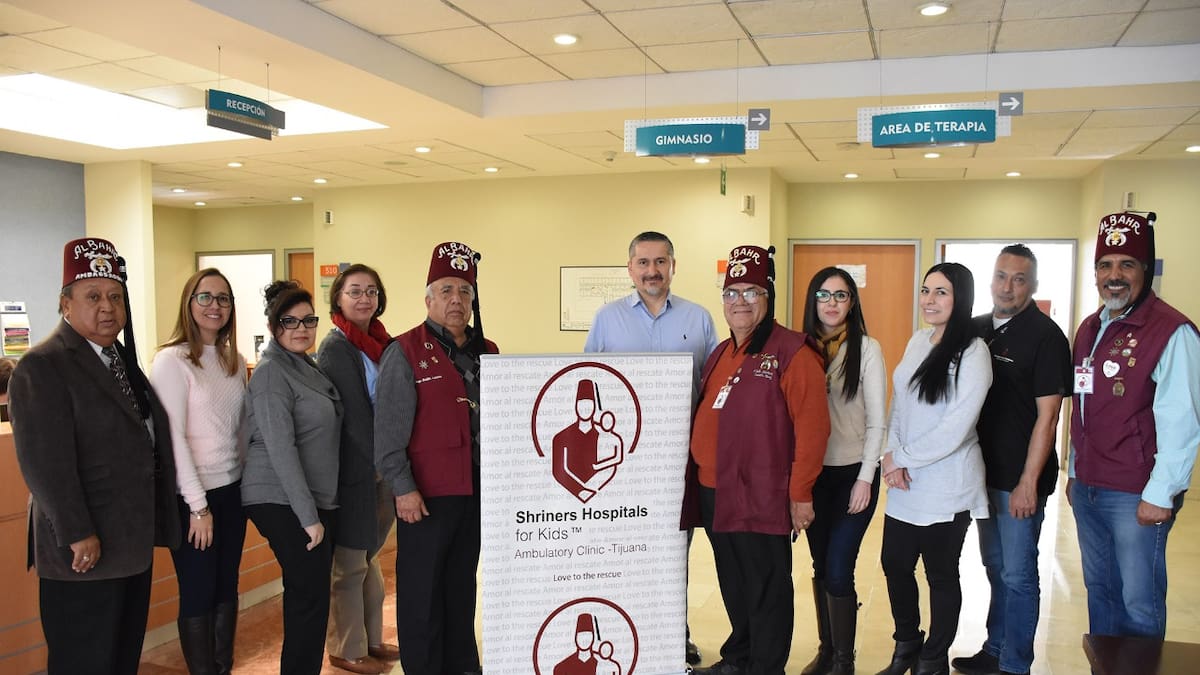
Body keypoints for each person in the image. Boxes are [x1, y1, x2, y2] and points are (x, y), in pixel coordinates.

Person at [9, 237, 180, 675]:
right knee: (83, 661)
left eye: (115, 296)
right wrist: (77, 532)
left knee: (120, 659)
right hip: (84, 550)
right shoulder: (43, 366)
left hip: (128, 543)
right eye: (93, 297)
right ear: (65, 305)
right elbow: (45, 463)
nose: (107, 307)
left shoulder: (119, 358)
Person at [683, 244, 830, 675]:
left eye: (750, 291)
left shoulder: (793, 353)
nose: (739, 302)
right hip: (715, 489)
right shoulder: (721, 352)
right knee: (733, 581)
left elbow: (814, 429)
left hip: (761, 493)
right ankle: (739, 656)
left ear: (767, 297)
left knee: (765, 586)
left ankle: (766, 666)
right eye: (731, 293)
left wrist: (800, 493)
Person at [584, 230, 717, 665]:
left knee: (676, 550)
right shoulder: (607, 319)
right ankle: (632, 629)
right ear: (630, 269)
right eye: (643, 262)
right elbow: (589, 379)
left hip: (681, 460)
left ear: (673, 265)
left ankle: (674, 634)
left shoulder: (698, 320)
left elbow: (711, 387)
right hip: (622, 463)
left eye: (660, 262)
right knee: (627, 549)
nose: (652, 271)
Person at [1068, 212, 1200, 640]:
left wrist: (1161, 493)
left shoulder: (1171, 331)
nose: (1114, 276)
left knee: (1138, 602)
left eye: (1127, 264)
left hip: (1135, 493)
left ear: (1146, 269)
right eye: (1105, 265)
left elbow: (1182, 420)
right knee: (1100, 591)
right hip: (1089, 486)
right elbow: (1083, 408)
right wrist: (1073, 471)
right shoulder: (1091, 328)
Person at [376, 241, 498, 675]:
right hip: (426, 497)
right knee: (422, 595)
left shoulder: (489, 352)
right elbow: (388, 434)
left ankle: (462, 665)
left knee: (460, 587)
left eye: (464, 291)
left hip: (476, 492)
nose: (455, 300)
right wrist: (403, 489)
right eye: (446, 290)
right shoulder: (404, 351)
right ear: (428, 298)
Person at [952, 246, 1071, 675]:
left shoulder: (1046, 336)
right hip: (981, 474)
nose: (1008, 286)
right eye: (1001, 276)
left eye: (1019, 279)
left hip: (1018, 480)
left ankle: (1016, 664)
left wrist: (1028, 482)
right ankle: (995, 648)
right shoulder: (975, 329)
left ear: (1033, 286)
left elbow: (1049, 416)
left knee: (1019, 575)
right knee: (996, 567)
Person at [875, 262, 991, 675]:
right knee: (894, 564)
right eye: (926, 290)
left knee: (941, 574)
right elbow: (899, 404)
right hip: (906, 481)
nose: (929, 299)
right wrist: (890, 456)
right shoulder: (917, 341)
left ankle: (933, 655)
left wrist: (900, 458)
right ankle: (907, 642)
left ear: (960, 298)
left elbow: (955, 428)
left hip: (948, 484)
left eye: (941, 292)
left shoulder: (974, 352)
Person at [150, 268, 249, 675]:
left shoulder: (234, 361)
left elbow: (238, 431)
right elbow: (172, 438)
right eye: (205, 297)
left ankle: (222, 668)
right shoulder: (172, 360)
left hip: (232, 492)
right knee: (198, 592)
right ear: (189, 304)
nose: (215, 306)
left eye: (223, 298)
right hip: (194, 499)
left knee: (227, 587)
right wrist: (197, 507)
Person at [241, 280, 342, 675]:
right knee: (308, 598)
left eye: (308, 320)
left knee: (312, 597)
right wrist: (309, 517)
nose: (301, 329)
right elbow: (281, 450)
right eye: (290, 321)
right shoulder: (270, 374)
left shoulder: (304, 365)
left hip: (309, 498)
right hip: (280, 499)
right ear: (273, 326)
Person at [798, 267, 886, 675]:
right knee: (820, 567)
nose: (832, 303)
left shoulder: (867, 349)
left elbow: (878, 422)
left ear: (852, 303)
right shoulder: (800, 349)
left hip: (854, 475)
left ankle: (844, 662)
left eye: (841, 295)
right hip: (814, 477)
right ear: (812, 301)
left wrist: (866, 478)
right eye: (824, 295)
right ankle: (828, 651)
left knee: (838, 569)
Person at [316, 264, 401, 674]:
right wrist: (383, 463)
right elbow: (355, 418)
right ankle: (346, 648)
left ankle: (371, 640)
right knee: (349, 564)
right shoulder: (337, 347)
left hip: (382, 469)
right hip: (356, 472)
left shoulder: (380, 343)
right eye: (354, 291)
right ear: (338, 298)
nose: (364, 298)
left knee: (368, 559)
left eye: (371, 291)